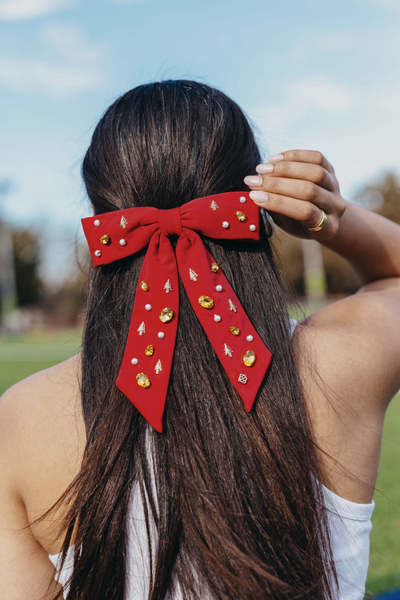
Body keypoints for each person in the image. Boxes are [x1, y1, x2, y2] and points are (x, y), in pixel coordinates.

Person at [0, 80, 399, 600]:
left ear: (104, 221)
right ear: (258, 204)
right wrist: (334, 221)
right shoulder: (347, 359)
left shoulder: (23, 418)